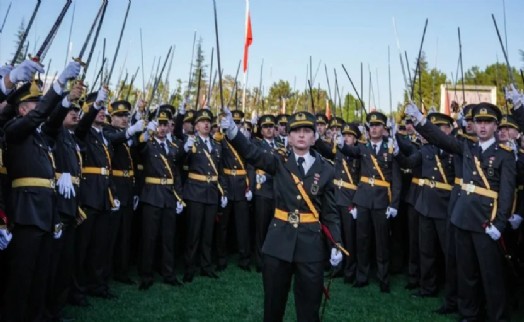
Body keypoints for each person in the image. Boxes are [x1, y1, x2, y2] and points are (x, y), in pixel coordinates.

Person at [222, 109, 342, 322]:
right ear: (288, 136)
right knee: (273, 306)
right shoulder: (278, 160)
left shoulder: (326, 170)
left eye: (307, 130)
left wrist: (336, 244)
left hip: (311, 245)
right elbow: (252, 153)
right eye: (296, 131)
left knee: (308, 309)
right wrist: (233, 130)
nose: (301, 135)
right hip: (278, 243)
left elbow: (330, 213)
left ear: (315, 137)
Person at [405, 102, 515, 321]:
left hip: (486, 222)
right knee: (466, 272)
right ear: (472, 125)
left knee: (490, 274)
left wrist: (500, 224)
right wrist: (420, 119)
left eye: (488, 122)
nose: (482, 127)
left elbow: (506, 194)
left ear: (495, 126)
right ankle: (468, 313)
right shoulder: (467, 147)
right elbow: (441, 139)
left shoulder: (504, 155)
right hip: (462, 218)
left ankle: (498, 316)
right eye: (479, 122)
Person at [3, 60, 81, 321]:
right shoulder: (14, 129)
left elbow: (52, 120)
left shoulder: (39, 136)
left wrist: (66, 99)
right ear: (23, 109)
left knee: (40, 275)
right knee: (22, 278)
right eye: (36, 105)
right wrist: (57, 86)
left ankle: (38, 317)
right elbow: (41, 116)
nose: (41, 109)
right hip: (26, 213)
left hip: (46, 212)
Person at [337, 111, 402, 293]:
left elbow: (396, 181)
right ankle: (361, 276)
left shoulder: (390, 149)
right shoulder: (363, 148)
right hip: (363, 199)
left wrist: (394, 204)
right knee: (362, 240)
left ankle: (383, 278)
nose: (374, 129)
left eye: (377, 125)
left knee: (382, 242)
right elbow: (350, 150)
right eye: (371, 126)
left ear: (383, 128)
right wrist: (341, 144)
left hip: (382, 201)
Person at [395, 112, 455, 298]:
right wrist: (396, 152)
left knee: (449, 253)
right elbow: (409, 162)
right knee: (425, 250)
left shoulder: (455, 149)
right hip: (425, 205)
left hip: (446, 206)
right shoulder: (426, 150)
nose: (435, 132)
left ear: (449, 129)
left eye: (440, 128)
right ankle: (427, 287)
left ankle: (453, 292)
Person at [137, 111, 184, 290]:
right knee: (149, 237)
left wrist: (178, 196)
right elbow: (138, 147)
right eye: (159, 124)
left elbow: (176, 174)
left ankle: (168, 273)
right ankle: (146, 275)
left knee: (168, 238)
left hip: (169, 196)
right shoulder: (148, 144)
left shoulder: (172, 147)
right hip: (152, 195)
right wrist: (145, 133)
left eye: (165, 125)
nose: (162, 128)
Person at [181, 108, 227, 283]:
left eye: (208, 121)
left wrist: (224, 192)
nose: (206, 124)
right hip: (195, 192)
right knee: (193, 233)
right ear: (196, 125)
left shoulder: (216, 144)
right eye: (202, 122)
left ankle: (206, 266)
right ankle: (189, 267)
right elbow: (179, 162)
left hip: (211, 193)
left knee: (208, 233)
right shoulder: (190, 142)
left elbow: (220, 171)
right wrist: (186, 149)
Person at [216, 109, 253, 272]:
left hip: (241, 185)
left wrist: (250, 186)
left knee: (242, 226)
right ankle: (221, 258)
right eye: (234, 123)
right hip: (226, 184)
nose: (236, 125)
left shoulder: (244, 140)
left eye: (238, 123)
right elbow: (217, 163)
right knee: (222, 226)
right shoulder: (221, 139)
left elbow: (251, 164)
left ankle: (244, 259)